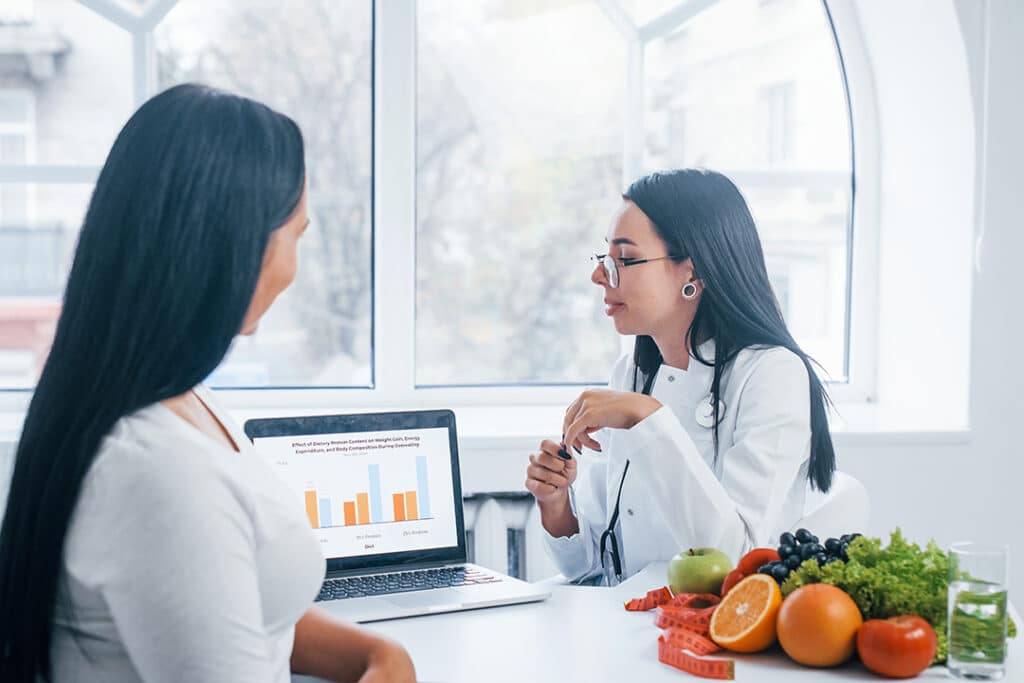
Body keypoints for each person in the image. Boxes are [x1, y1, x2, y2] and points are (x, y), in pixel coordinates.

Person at [0, 84, 414, 683]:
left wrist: (379, 655)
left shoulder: (179, 402)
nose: (295, 266)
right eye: (297, 235)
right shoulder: (156, 473)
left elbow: (242, 610)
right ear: (236, 246)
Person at [525, 169, 836, 586]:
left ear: (692, 273)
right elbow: (594, 568)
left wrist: (647, 417)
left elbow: (735, 564)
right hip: (623, 621)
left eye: (625, 260)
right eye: (605, 259)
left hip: (706, 636)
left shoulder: (771, 375)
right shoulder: (632, 374)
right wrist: (556, 503)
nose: (600, 276)